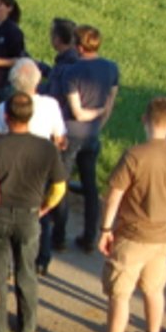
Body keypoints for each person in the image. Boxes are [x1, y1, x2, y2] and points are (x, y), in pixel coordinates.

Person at [90, 97, 166, 332]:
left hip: (132, 235)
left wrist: (106, 229)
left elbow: (114, 196)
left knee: (120, 293)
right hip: (163, 236)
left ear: (145, 120)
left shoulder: (135, 155)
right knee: (154, 289)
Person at [0, 94, 66, 332]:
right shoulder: (46, 148)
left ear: (6, 117)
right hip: (29, 216)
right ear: (30, 116)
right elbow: (59, 187)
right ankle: (27, 327)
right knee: (27, 271)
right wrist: (44, 207)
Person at [47, 24, 119, 257]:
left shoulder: (72, 71)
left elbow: (77, 111)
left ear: (78, 46)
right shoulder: (111, 68)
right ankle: (90, 236)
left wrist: (94, 113)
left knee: (62, 183)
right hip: (93, 134)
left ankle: (58, 236)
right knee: (90, 186)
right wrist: (100, 120)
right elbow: (111, 100)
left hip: (72, 133)